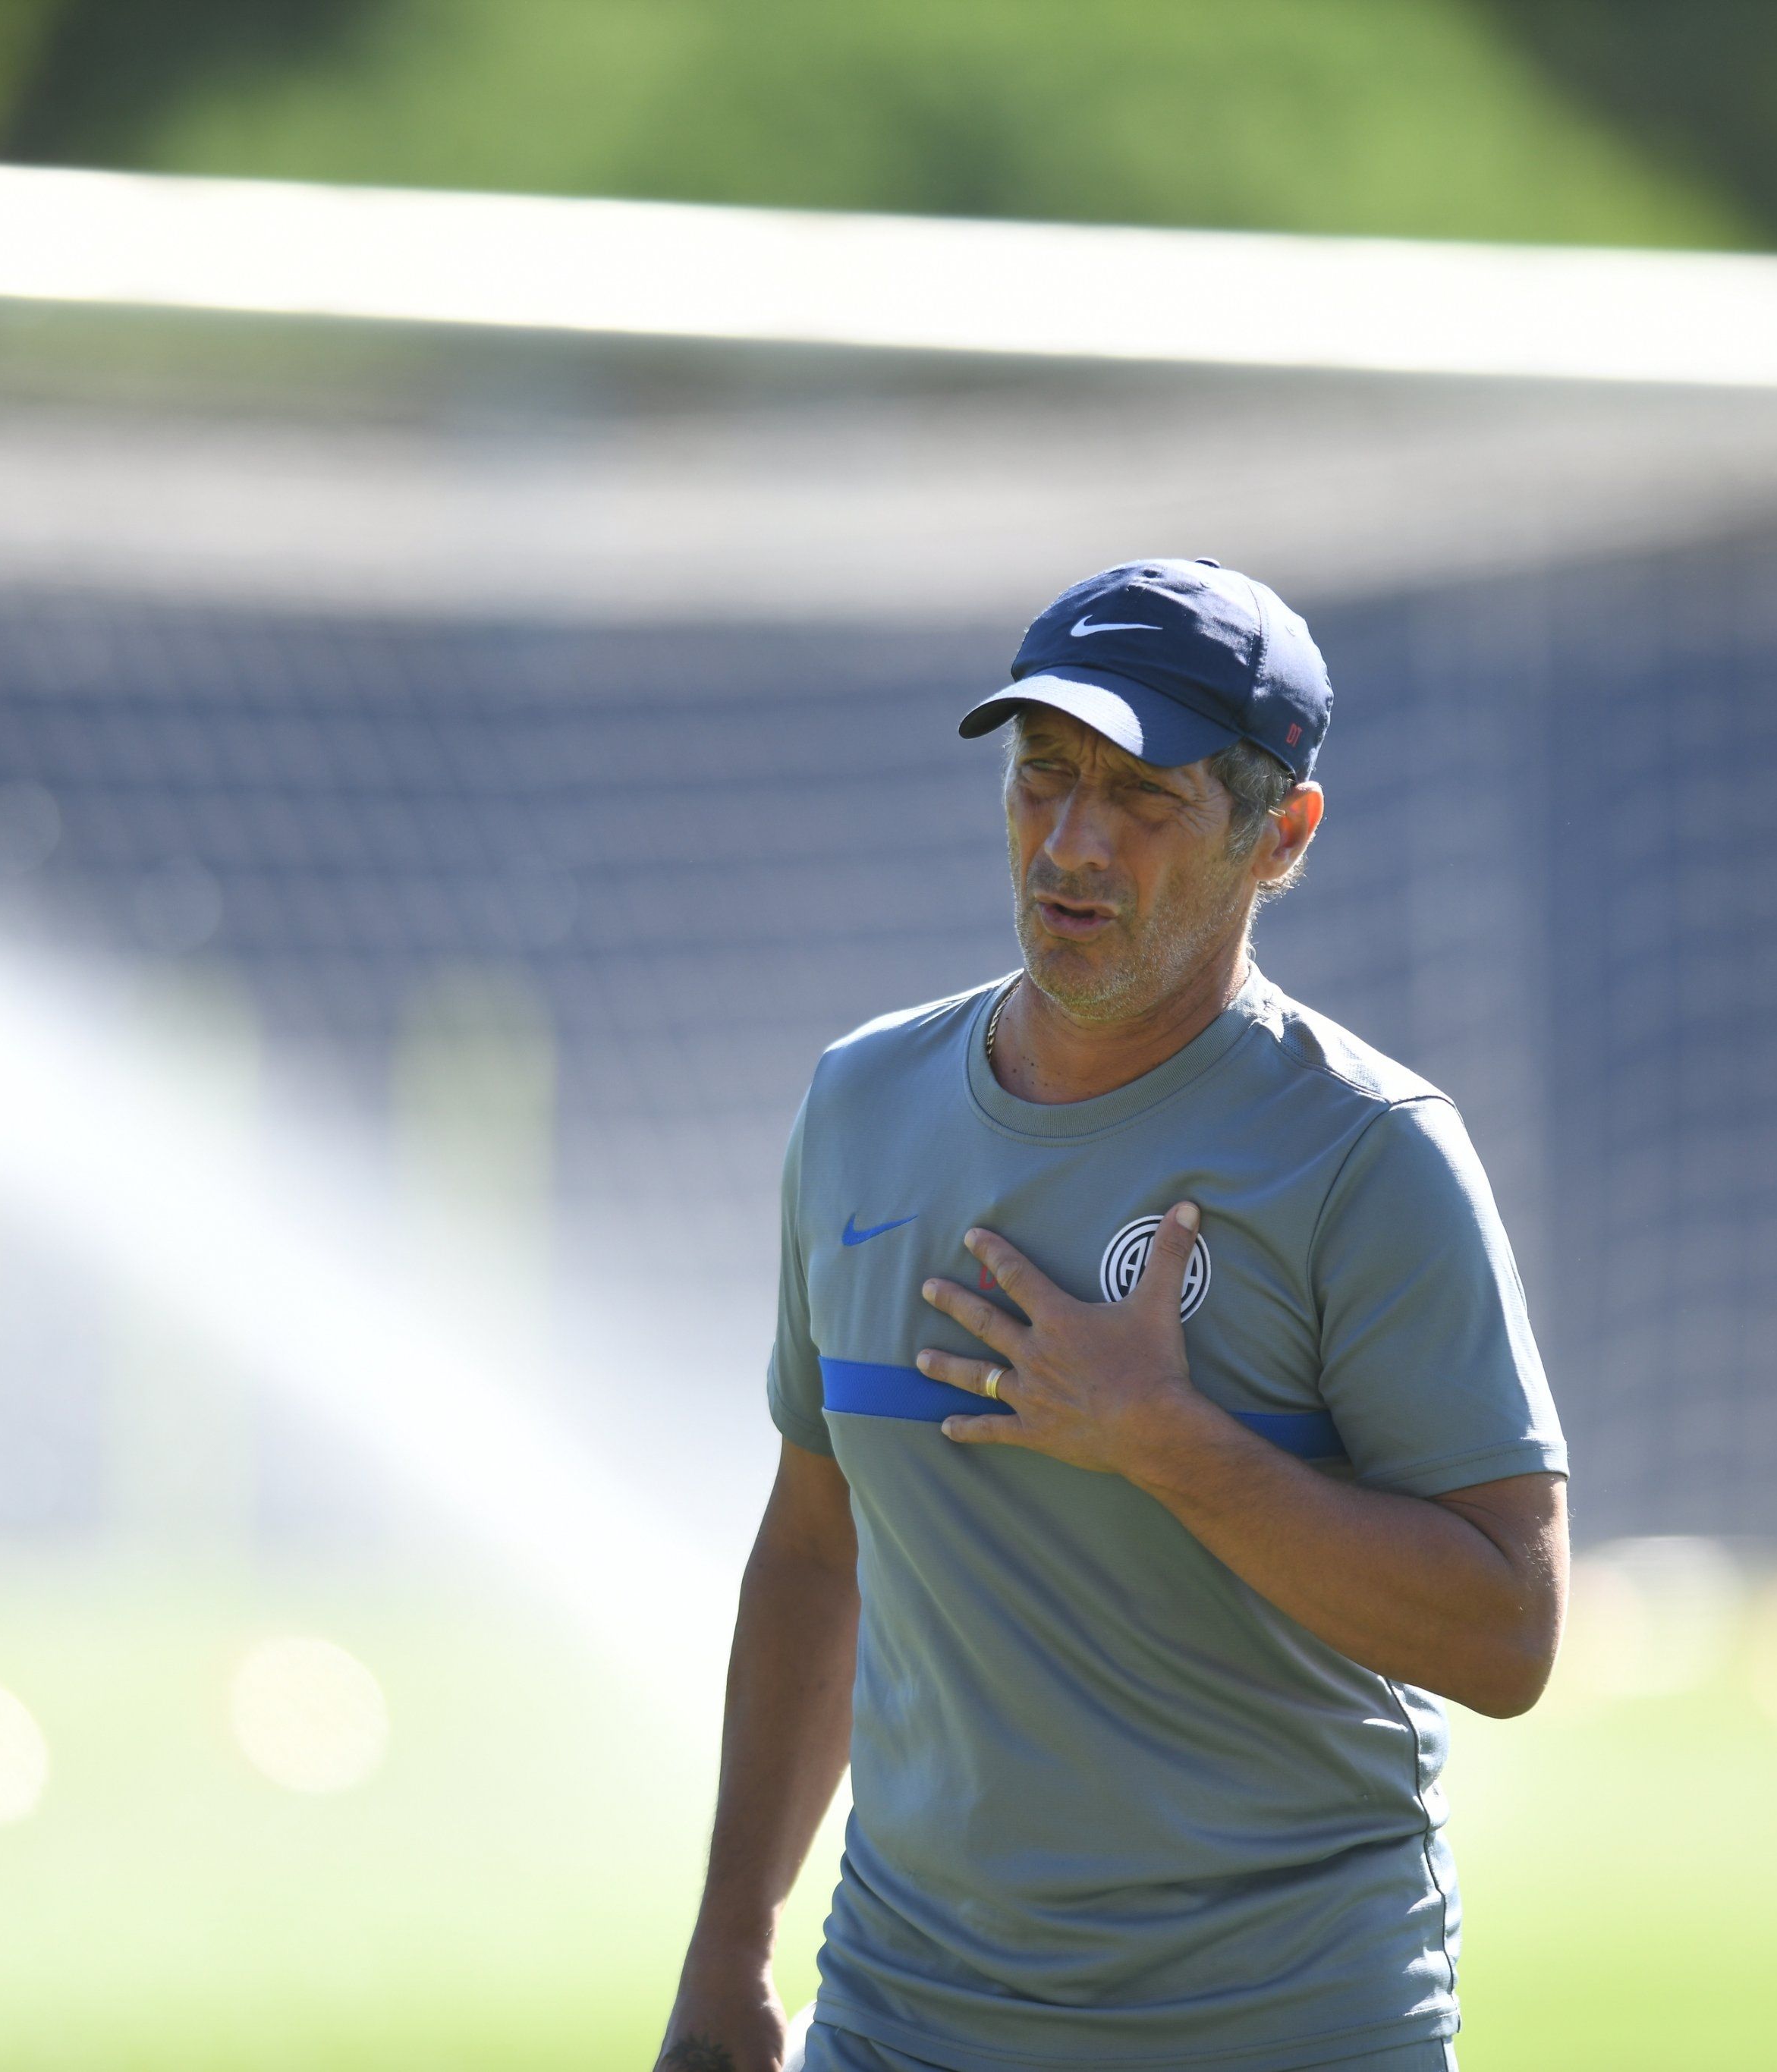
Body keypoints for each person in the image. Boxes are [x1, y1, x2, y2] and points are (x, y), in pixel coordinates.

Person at [656, 558, 1569, 2072]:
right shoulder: (860, 1102)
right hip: (900, 2022)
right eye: (1042, 775)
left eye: (1142, 797)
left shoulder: (1370, 1155)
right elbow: (817, 1548)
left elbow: (1508, 1632)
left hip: (1278, 2033)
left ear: (1280, 835)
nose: (1071, 842)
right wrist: (728, 1953)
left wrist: (1168, 1442)